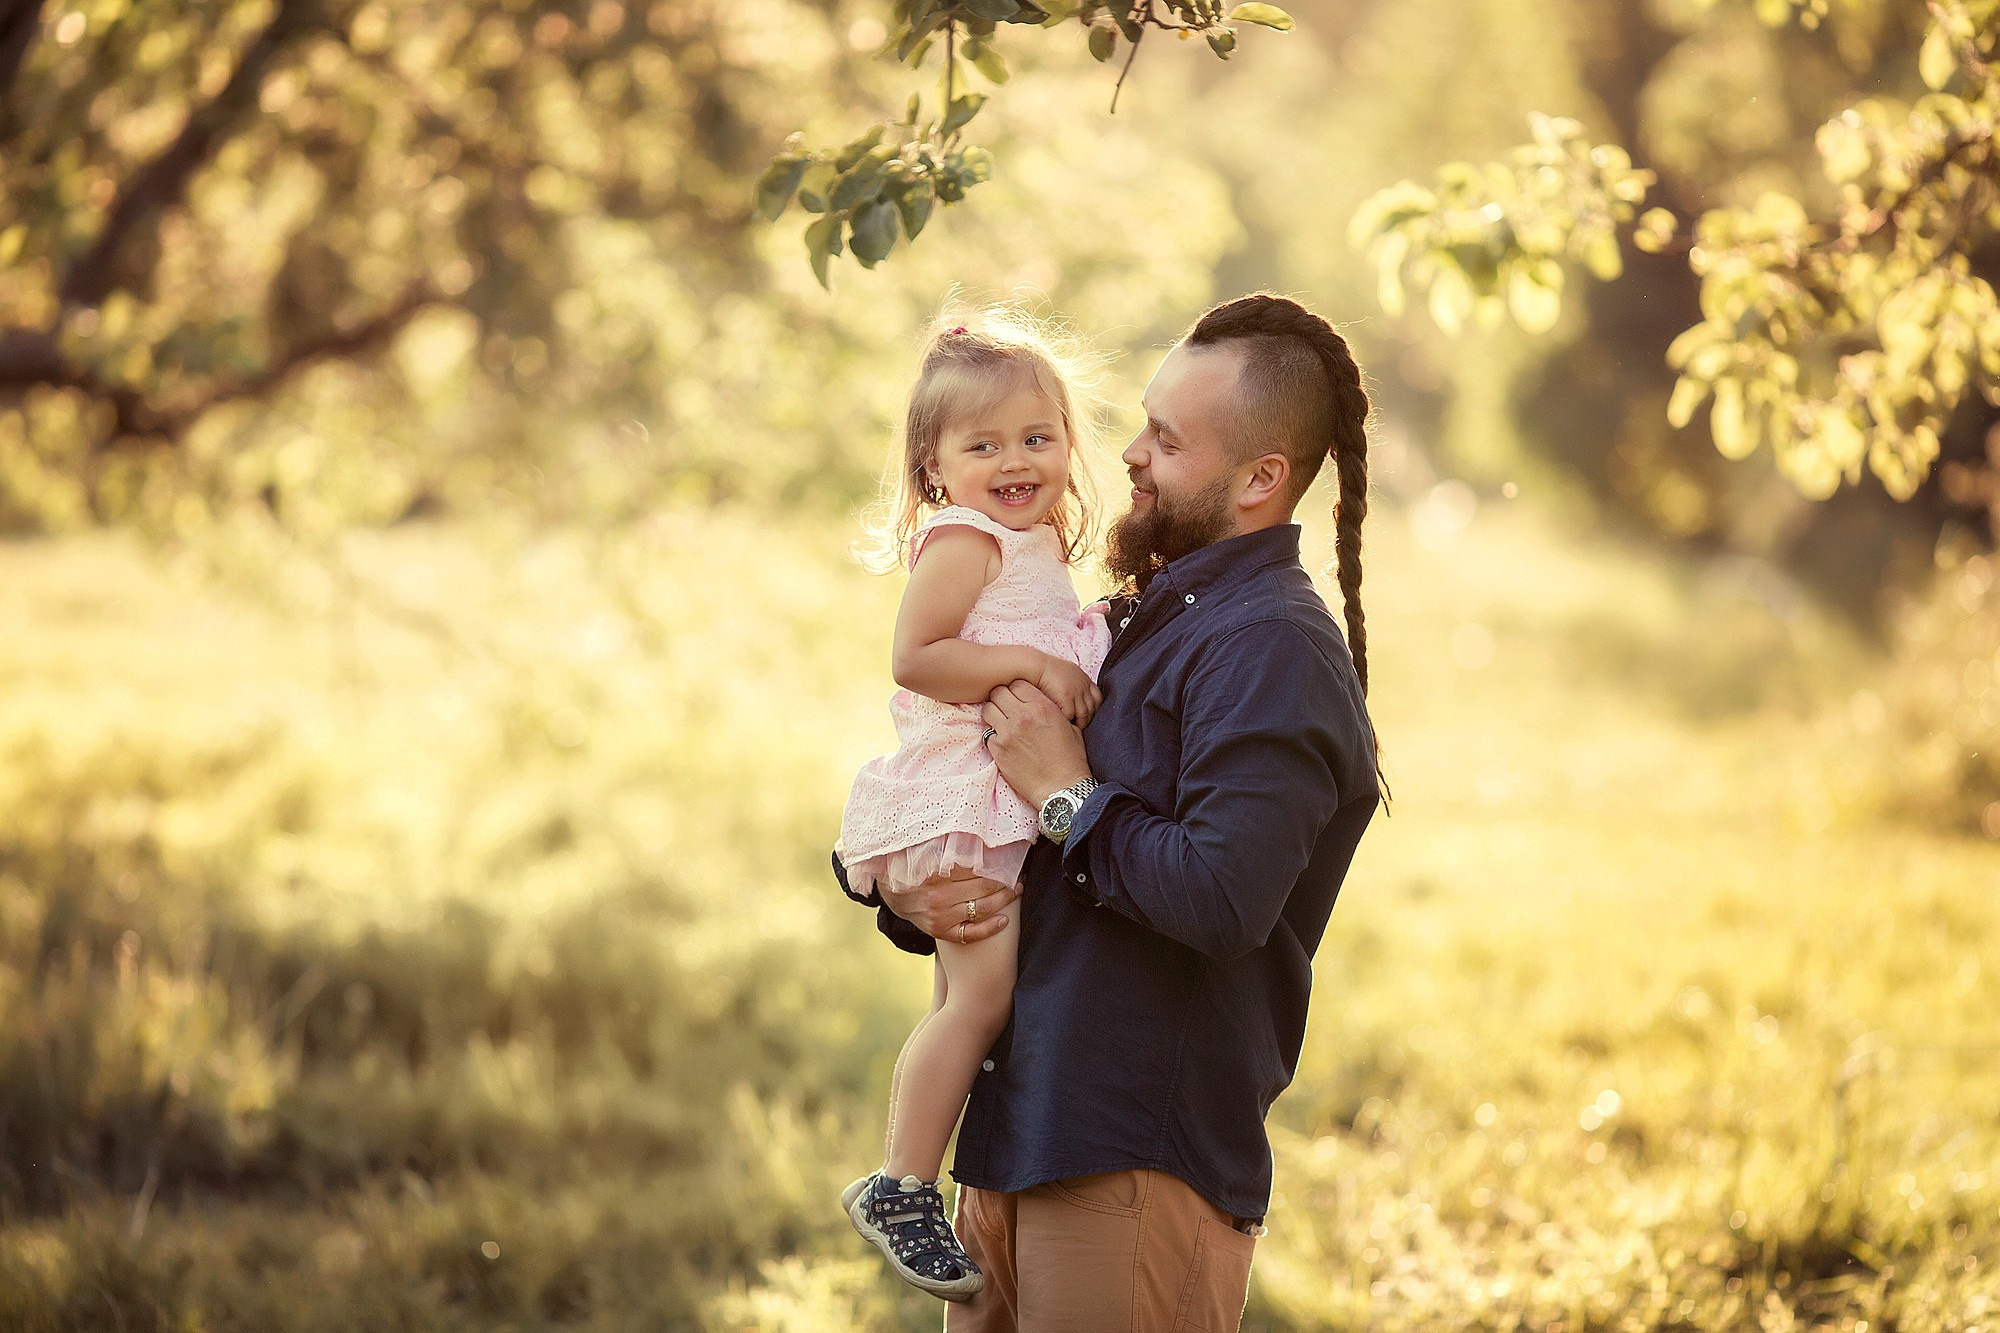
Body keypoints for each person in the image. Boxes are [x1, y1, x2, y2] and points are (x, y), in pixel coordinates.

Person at [835, 292, 1385, 1330]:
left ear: (1259, 478)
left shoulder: (1267, 646)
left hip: (1128, 1156)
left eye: (1165, 441)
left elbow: (1221, 895)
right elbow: (992, 799)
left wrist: (1064, 793)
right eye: (1137, 424)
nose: (1126, 456)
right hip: (1013, 1138)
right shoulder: (1134, 615)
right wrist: (900, 880)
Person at [834, 308, 1114, 1301]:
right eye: (982, 443)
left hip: (986, 805)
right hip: (955, 802)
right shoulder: (962, 539)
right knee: (978, 998)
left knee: (972, 998)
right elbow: (916, 657)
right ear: (932, 466)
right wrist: (1034, 662)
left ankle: (912, 1176)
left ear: (1068, 445)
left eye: (1036, 437)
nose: (1014, 459)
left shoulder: (1028, 541)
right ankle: (900, 1183)